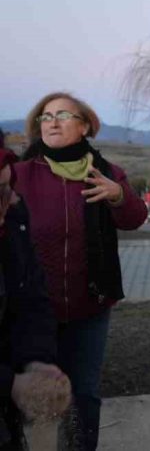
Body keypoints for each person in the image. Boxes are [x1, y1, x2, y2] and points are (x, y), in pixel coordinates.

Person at [12, 93, 148, 451]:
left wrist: (118, 194)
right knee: (21, 397)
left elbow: (134, 219)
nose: (52, 123)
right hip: (31, 311)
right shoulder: (20, 175)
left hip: (90, 306)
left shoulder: (106, 173)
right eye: (45, 117)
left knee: (83, 395)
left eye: (62, 115)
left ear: (85, 125)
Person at [1, 149, 72, 450]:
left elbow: (30, 298)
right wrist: (8, 383)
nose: (10, 200)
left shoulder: (13, 219)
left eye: (8, 187)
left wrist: (36, 361)